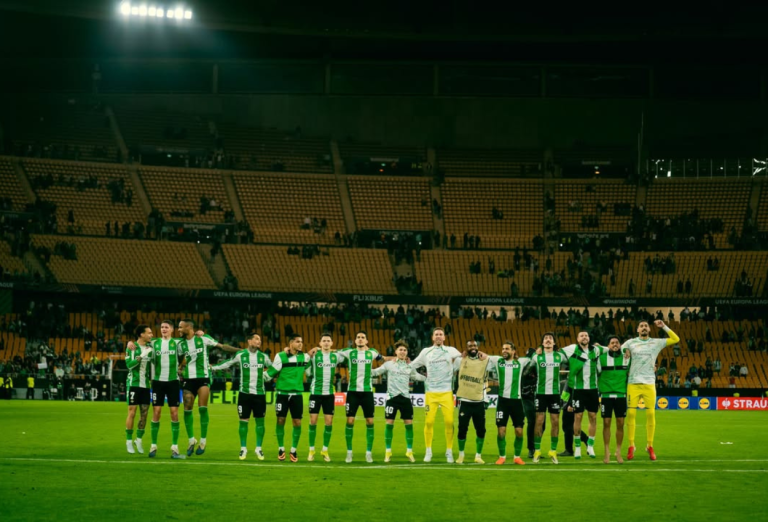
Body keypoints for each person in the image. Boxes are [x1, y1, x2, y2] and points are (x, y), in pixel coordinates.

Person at [177, 319, 239, 457]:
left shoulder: (204, 339)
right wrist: (181, 367)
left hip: (203, 377)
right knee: (187, 409)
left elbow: (222, 347)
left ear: (189, 327)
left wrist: (241, 351)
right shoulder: (181, 345)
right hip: (188, 379)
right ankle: (191, 440)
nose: (178, 329)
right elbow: (180, 358)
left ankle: (203, 441)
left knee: (202, 408)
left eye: (180, 327)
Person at [622, 320, 679, 461]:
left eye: (646, 326)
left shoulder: (656, 342)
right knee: (631, 414)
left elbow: (676, 339)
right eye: (641, 326)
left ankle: (650, 445)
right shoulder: (630, 342)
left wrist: (664, 326)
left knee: (651, 413)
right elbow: (616, 349)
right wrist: (625, 350)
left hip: (649, 383)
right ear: (637, 330)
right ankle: (631, 445)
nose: (644, 328)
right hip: (633, 383)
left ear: (649, 329)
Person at [210, 332, 271, 460]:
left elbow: (274, 368)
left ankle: (258, 448)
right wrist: (213, 368)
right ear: (249, 341)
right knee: (243, 422)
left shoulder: (263, 357)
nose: (259, 341)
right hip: (244, 394)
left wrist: (268, 375)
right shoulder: (241, 355)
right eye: (256, 339)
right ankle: (243, 448)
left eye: (260, 339)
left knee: (260, 422)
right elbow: (227, 363)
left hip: (260, 394)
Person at [410, 327, 463, 463]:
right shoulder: (426, 352)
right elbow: (411, 366)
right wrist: (422, 378)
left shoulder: (451, 351)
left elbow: (463, 363)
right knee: (429, 422)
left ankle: (449, 451)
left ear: (444, 337)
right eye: (436, 334)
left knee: (449, 422)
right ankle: (428, 451)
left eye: (441, 334)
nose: (439, 336)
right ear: (432, 338)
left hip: (447, 393)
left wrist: (454, 368)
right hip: (431, 393)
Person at [371, 340, 425, 463]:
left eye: (404, 350)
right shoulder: (389, 364)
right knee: (389, 424)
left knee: (409, 425)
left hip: (405, 398)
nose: (402, 352)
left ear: (406, 353)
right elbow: (376, 372)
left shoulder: (409, 366)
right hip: (392, 398)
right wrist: (363, 370)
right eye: (400, 350)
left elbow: (416, 377)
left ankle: (409, 451)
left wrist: (429, 378)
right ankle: (388, 451)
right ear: (396, 352)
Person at [338, 331, 383, 463]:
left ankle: (368, 453)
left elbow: (383, 358)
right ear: (355, 340)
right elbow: (332, 351)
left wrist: (398, 358)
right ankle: (349, 452)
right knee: (350, 421)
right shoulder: (349, 352)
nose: (360, 339)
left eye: (363, 337)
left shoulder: (373, 352)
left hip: (367, 392)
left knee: (370, 422)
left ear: (366, 341)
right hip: (352, 392)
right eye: (358, 337)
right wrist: (319, 349)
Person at [265, 333, 311, 462]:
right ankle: (281, 448)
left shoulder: (304, 357)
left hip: (297, 395)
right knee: (280, 420)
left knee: (297, 422)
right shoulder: (280, 356)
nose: (300, 344)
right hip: (282, 394)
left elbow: (311, 369)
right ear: (290, 343)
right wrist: (258, 375)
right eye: (297, 341)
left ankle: (293, 450)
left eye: (301, 341)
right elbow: (271, 372)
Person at [487, 341, 534, 465]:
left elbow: (534, 357)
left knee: (519, 431)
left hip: (517, 402)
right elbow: (483, 355)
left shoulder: (521, 362)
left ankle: (517, 457)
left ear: (513, 351)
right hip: (502, 401)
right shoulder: (498, 361)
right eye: (503, 348)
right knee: (501, 431)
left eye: (507, 349)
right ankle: (502, 456)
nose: (504, 351)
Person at [145, 320, 185, 459]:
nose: (163, 329)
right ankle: (153, 445)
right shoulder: (154, 343)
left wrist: (200, 333)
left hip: (173, 382)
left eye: (166, 327)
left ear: (172, 329)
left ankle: (174, 446)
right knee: (156, 412)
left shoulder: (178, 343)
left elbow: (191, 341)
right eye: (162, 327)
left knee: (174, 413)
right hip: (157, 382)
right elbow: (140, 342)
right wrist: (130, 344)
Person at [305, 333, 347, 462]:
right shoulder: (314, 356)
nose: (326, 343)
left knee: (329, 423)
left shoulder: (335, 356)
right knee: (313, 422)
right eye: (324, 341)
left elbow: (348, 353)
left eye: (328, 341)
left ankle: (324, 450)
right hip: (315, 393)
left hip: (329, 394)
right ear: (320, 343)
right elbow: (304, 360)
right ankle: (311, 450)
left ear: (332, 343)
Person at [560, 331, 602, 459]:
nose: (584, 337)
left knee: (593, 416)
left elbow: (613, 347)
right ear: (577, 339)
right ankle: (577, 447)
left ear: (589, 338)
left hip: (593, 389)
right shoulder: (572, 349)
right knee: (577, 417)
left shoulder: (596, 350)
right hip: (578, 389)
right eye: (582, 335)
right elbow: (557, 353)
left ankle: (590, 445)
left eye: (586, 335)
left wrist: (626, 351)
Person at [453, 340, 490, 464]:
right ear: (466, 348)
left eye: (475, 346)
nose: (473, 348)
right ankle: (461, 455)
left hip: (478, 401)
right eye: (470, 346)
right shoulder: (460, 360)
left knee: (481, 430)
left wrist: (487, 355)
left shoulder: (484, 360)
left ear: (478, 348)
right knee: (462, 429)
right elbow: (449, 367)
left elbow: (498, 360)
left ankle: (478, 455)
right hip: (464, 401)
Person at [532, 332, 563, 464]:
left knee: (555, 422)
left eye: (550, 339)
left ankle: (553, 450)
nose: (548, 340)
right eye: (546, 339)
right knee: (539, 421)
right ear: (542, 343)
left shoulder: (560, 356)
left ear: (554, 343)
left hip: (555, 393)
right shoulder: (536, 357)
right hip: (540, 393)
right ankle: (537, 450)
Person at [598, 335, 630, 464]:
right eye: (612, 343)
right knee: (606, 423)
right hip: (606, 396)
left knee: (620, 424)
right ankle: (607, 451)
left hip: (621, 396)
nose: (615, 344)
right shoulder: (601, 358)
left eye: (617, 342)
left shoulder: (627, 358)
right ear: (608, 346)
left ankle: (618, 451)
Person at [124, 325, 153, 454]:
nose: (151, 335)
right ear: (142, 334)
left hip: (145, 385)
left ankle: (139, 440)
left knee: (145, 414)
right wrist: (142, 354)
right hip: (133, 384)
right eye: (149, 333)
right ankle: (129, 441)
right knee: (132, 412)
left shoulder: (151, 348)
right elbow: (129, 366)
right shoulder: (132, 347)